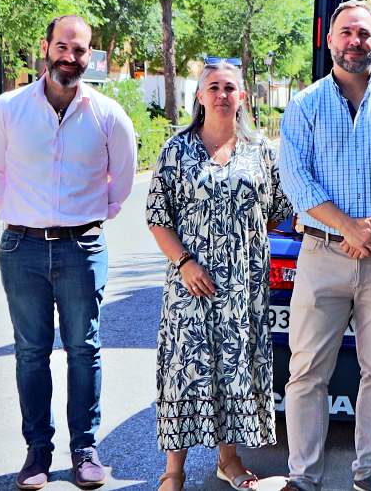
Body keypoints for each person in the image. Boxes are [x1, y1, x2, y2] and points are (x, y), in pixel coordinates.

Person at [277, 1, 371, 491]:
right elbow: (296, 180)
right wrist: (348, 228)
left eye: (365, 34)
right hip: (322, 255)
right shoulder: (304, 104)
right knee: (305, 373)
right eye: (347, 33)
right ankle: (304, 476)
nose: (355, 42)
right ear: (330, 40)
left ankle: (370, 470)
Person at [0, 15, 137, 490]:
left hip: (82, 247)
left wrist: (82, 219)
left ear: (91, 56)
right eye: (63, 46)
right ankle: (36, 453)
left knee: (84, 350)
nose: (71, 57)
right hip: (21, 247)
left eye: (81, 50)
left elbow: (122, 182)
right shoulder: (8, 109)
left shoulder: (109, 115)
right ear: (46, 46)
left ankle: (85, 450)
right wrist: (30, 217)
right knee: (30, 352)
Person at [146, 60, 293, 491]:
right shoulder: (176, 149)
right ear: (199, 96)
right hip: (190, 285)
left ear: (242, 96)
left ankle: (230, 461)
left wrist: (239, 246)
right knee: (184, 372)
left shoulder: (260, 150)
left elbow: (278, 213)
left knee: (235, 371)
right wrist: (186, 262)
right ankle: (173, 471)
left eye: (230, 87)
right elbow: (158, 218)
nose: (222, 94)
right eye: (213, 87)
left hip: (243, 289)